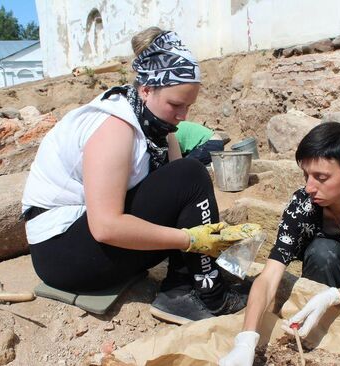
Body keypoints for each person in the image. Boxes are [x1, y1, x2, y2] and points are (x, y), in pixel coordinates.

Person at [20, 26, 259, 325]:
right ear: (146, 89)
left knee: (188, 174)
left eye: (188, 106)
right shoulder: (114, 127)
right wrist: (189, 239)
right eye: (176, 104)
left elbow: (181, 197)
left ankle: (191, 286)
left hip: (84, 241)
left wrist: (209, 235)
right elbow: (106, 227)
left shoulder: (158, 124)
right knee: (191, 171)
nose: (183, 115)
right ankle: (202, 294)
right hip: (61, 254)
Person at [220, 122, 340, 365]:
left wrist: (333, 296)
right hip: (321, 303)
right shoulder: (303, 205)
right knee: (324, 251)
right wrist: (246, 339)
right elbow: (269, 277)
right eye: (306, 175)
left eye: (321, 177)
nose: (309, 187)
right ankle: (317, 345)